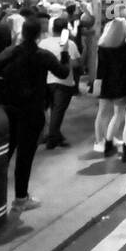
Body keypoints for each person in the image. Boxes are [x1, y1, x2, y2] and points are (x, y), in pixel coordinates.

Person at [0, 17, 69, 212]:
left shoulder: (7, 53)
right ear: (39, 34)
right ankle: (20, 198)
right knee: (25, 156)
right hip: (32, 110)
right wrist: (65, 52)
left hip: (8, 109)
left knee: (6, 153)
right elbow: (63, 72)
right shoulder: (42, 55)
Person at [93, 15, 126, 162]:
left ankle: (108, 144)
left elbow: (101, 70)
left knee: (117, 115)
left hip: (115, 87)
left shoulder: (103, 47)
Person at [40, 16, 80, 150]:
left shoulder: (43, 43)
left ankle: (56, 135)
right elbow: (76, 64)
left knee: (52, 110)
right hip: (64, 82)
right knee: (58, 111)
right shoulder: (70, 44)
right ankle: (52, 138)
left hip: (46, 81)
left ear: (53, 29)